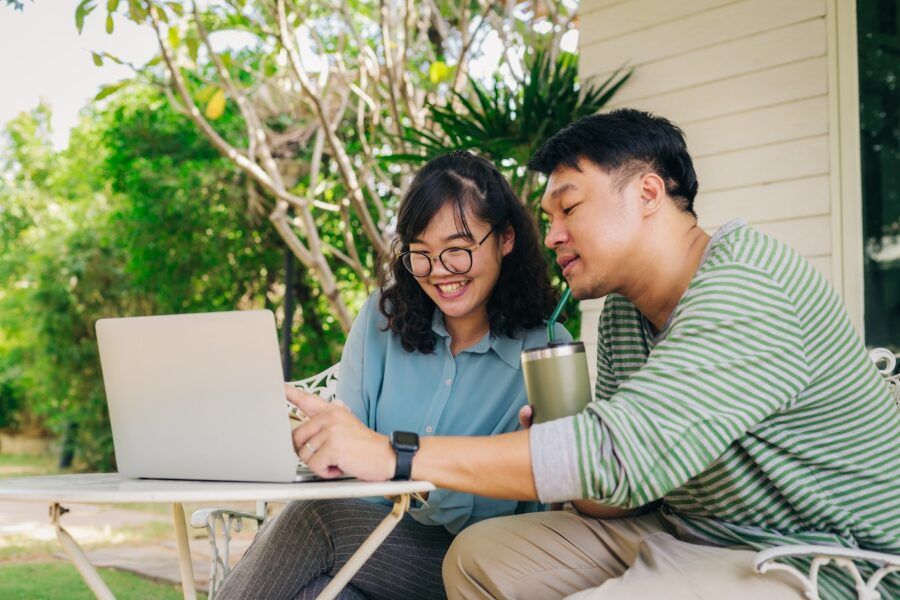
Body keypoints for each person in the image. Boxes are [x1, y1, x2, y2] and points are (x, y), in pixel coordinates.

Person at [290, 109, 900, 600]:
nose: (551, 232)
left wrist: (394, 456)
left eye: (570, 207)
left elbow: (615, 454)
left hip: (818, 556)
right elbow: (613, 493)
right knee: (479, 557)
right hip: (685, 529)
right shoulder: (622, 317)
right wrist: (565, 448)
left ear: (648, 193)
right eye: (549, 215)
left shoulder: (750, 286)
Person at [217, 151, 570, 600]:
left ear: (504, 239)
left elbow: (545, 500)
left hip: (470, 564)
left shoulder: (545, 348)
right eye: (420, 255)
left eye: (457, 251)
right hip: (365, 551)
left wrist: (408, 474)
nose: (439, 272)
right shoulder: (381, 322)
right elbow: (346, 464)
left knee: (317, 519)